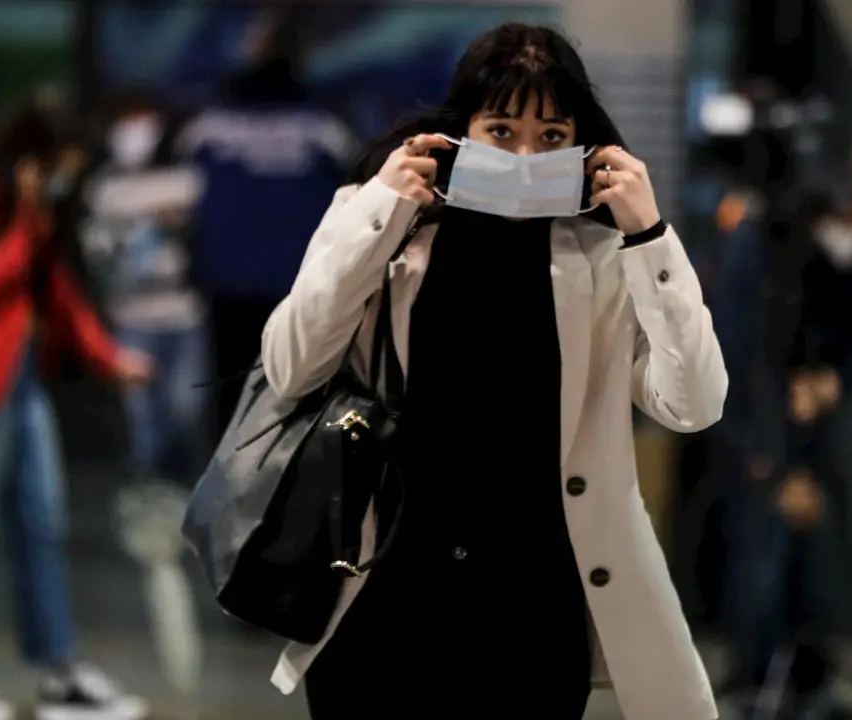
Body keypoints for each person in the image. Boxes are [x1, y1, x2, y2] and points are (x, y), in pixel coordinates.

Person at [258, 22, 728, 720]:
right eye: (502, 132)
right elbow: (290, 368)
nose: (525, 155)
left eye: (551, 136)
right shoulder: (385, 221)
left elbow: (693, 404)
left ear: (582, 146)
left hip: (533, 608)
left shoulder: (607, 255)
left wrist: (651, 236)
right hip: (383, 596)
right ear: (462, 132)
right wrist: (381, 210)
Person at [716, 141, 852, 714]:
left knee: (817, 539)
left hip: (815, 395)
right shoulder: (767, 241)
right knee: (763, 539)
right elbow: (746, 356)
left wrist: (834, 380)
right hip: (757, 399)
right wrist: (776, 463)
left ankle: (812, 674)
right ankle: (754, 678)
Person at [0, 105, 152, 718]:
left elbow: (59, 296)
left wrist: (109, 359)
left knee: (41, 523)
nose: (63, 183)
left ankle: (59, 669)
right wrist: (25, 223)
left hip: (24, 384)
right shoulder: (15, 215)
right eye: (58, 169)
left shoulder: (36, 218)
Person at [176, 4, 355, 443]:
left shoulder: (211, 125)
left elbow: (186, 197)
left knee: (231, 399)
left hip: (233, 284)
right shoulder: (324, 126)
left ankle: (230, 470)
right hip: (291, 285)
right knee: (288, 397)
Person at [81, 90, 207, 485]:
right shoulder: (102, 188)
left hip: (184, 314)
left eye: (143, 119)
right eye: (127, 120)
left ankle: (182, 487)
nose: (135, 131)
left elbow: (210, 234)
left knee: (187, 410)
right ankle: (147, 487)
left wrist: (180, 224)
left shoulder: (186, 179)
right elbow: (96, 250)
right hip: (131, 317)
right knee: (142, 419)